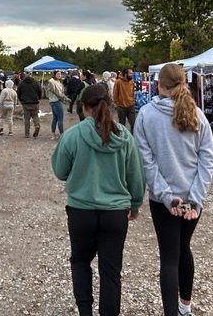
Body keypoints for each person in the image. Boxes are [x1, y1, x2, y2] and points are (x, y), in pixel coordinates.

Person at [51, 83, 145, 316]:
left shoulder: (72, 136)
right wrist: (134, 204)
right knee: (111, 271)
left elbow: (60, 171)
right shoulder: (125, 138)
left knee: (81, 262)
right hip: (115, 213)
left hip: (81, 211)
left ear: (84, 108)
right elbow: (136, 175)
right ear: (111, 106)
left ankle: (85, 312)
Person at [133, 63, 213, 316]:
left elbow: (146, 161)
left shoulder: (146, 115)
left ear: (159, 84)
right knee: (184, 248)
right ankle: (185, 308)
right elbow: (207, 159)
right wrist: (195, 199)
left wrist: (167, 196)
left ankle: (172, 311)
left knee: (169, 257)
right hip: (192, 199)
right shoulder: (198, 114)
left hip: (163, 200)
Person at [17, 72, 42, 138]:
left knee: (27, 119)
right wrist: (38, 98)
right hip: (35, 102)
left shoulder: (21, 83)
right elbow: (40, 91)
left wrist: (21, 100)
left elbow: (18, 92)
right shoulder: (36, 82)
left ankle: (27, 134)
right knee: (35, 116)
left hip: (25, 103)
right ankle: (37, 125)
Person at [47, 70, 69, 140]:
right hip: (55, 101)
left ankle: (53, 134)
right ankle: (61, 135)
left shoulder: (58, 81)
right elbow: (57, 93)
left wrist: (64, 98)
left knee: (55, 118)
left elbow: (60, 92)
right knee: (60, 118)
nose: (59, 75)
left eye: (60, 74)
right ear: (54, 74)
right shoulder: (51, 81)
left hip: (55, 101)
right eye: (58, 74)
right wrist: (65, 99)